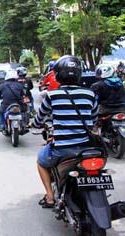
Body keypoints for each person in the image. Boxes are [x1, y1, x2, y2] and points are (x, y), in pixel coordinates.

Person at [32, 55, 98, 208]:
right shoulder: (90, 94)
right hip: (87, 148)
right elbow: (93, 120)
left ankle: (50, 196)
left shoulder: (52, 95)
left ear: (58, 75)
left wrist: (35, 124)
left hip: (62, 149)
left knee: (41, 161)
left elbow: (40, 118)